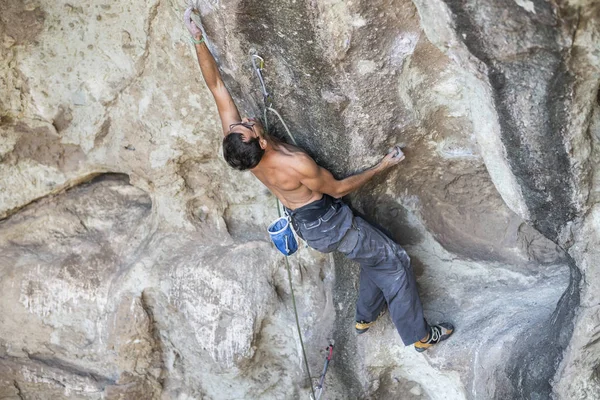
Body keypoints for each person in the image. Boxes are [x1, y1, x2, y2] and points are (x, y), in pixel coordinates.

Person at [183, 7, 453, 352]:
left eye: (242, 124)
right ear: (261, 142)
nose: (246, 119)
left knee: (377, 255)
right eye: (248, 126)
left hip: (313, 223)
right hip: (330, 224)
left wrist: (197, 38)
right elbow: (338, 189)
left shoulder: (242, 149)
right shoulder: (295, 164)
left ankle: (365, 316)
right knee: (395, 260)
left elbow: (216, 86)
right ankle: (419, 336)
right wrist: (382, 167)